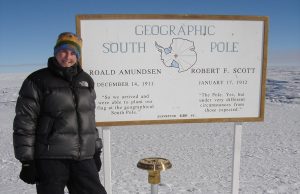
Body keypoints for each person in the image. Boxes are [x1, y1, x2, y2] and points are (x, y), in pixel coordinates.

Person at [13, 32, 107, 194]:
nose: (67, 57)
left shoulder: (86, 80)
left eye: (73, 53)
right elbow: (25, 122)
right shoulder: (37, 80)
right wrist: (26, 160)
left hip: (83, 157)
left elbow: (89, 119)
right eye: (63, 51)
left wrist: (96, 150)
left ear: (77, 56)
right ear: (56, 52)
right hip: (50, 158)